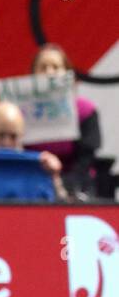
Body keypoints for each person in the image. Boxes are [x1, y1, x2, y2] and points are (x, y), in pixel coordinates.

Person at [27, 43, 101, 197]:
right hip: (30, 182)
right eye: (43, 67)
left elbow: (86, 158)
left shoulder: (85, 111)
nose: (49, 73)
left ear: (68, 74)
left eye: (55, 67)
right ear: (33, 74)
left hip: (76, 185)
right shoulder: (18, 112)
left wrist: (63, 185)